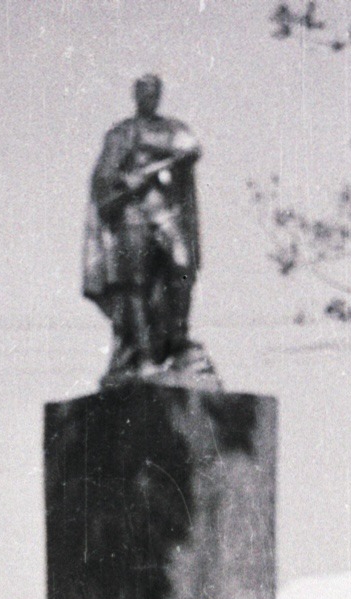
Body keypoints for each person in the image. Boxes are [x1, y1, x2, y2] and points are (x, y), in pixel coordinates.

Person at [82, 74, 209, 381]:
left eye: (154, 92)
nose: (149, 97)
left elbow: (191, 148)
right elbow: (103, 177)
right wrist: (125, 181)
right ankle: (141, 354)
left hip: (169, 214)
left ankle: (178, 342)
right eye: (144, 92)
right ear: (135, 95)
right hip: (133, 215)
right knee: (134, 283)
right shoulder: (122, 133)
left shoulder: (174, 130)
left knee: (182, 268)